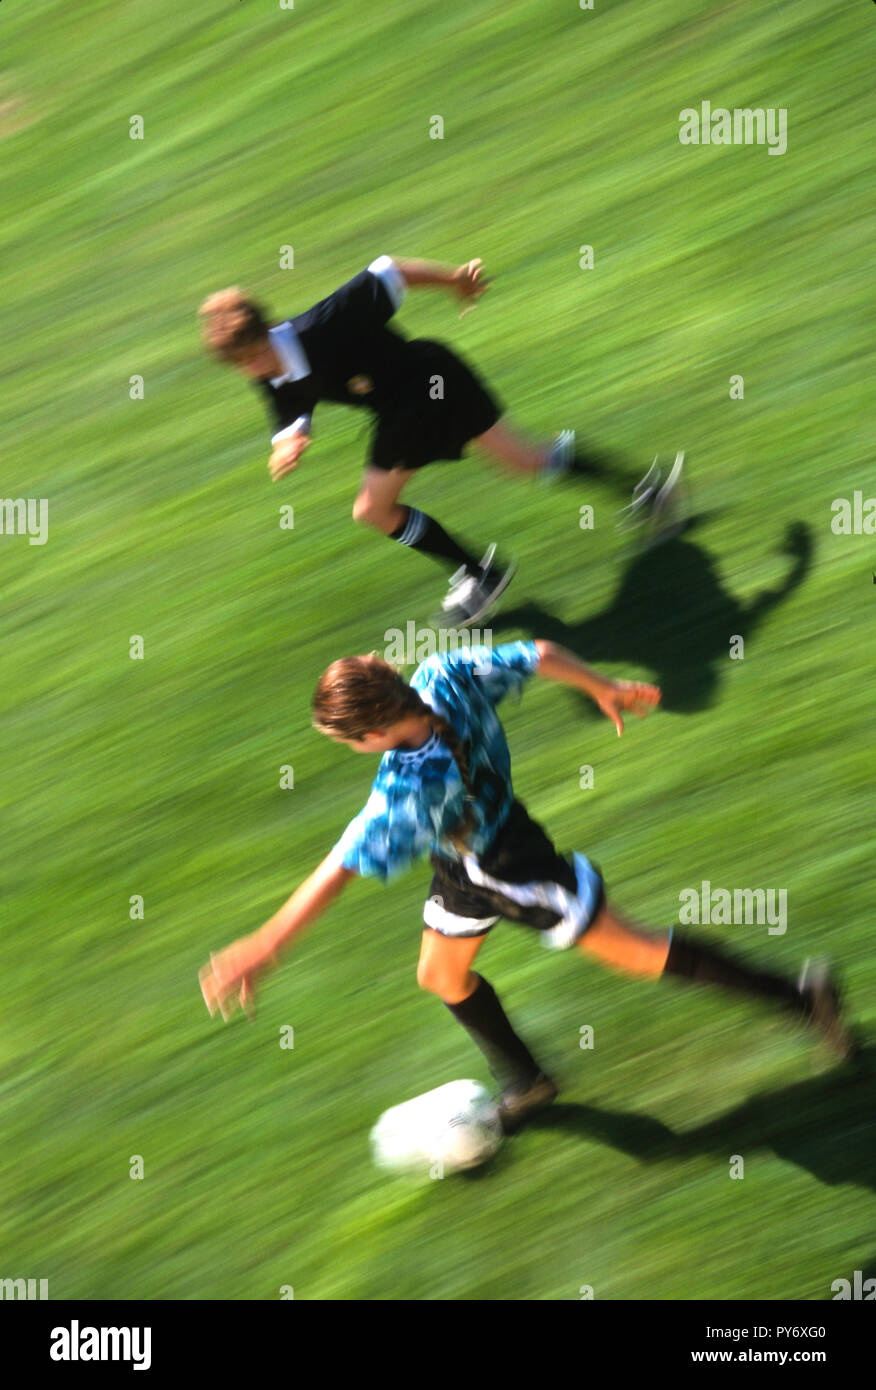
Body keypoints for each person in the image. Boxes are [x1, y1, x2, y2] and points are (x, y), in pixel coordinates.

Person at [200, 640, 854, 1133]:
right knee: (440, 975)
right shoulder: (440, 675)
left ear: (372, 735)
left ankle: (803, 998)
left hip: (509, 868)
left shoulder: (408, 787)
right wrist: (602, 687)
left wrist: (266, 944)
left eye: (345, 741)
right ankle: (528, 1081)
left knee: (638, 953)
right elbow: (538, 652)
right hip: (466, 860)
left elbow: (342, 863)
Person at [198, 255, 684, 624]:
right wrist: (289, 441)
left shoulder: (325, 323)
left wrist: (456, 281)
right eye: (241, 364)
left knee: (372, 510)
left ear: (265, 331)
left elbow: (389, 271)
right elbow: (290, 408)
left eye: (254, 355)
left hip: (423, 384)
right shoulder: (265, 373)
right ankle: (649, 491)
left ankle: (480, 574)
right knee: (524, 461)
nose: (253, 369)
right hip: (413, 396)